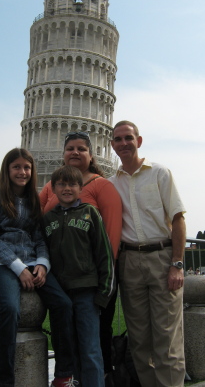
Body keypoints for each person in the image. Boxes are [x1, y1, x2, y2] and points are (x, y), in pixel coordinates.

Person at [0, 148, 78, 387]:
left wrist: (43, 265)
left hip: (32, 261)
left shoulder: (33, 200)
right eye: (17, 167)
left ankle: (63, 374)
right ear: (7, 170)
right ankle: (4, 380)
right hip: (1, 262)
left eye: (26, 167)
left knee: (63, 304)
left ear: (32, 171)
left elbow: (39, 238)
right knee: (10, 308)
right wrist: (17, 268)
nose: (22, 172)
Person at [40, 131, 122, 386]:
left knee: (91, 342)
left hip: (89, 284)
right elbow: (33, 219)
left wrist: (103, 286)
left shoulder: (101, 186)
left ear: (90, 154)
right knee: (67, 341)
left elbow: (109, 241)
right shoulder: (49, 190)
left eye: (81, 149)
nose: (75, 153)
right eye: (70, 148)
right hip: (59, 285)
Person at [109, 120, 186, 387]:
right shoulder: (111, 183)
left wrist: (177, 264)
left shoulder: (160, 173)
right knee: (139, 340)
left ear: (138, 141)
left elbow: (177, 219)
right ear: (112, 145)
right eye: (118, 139)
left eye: (128, 138)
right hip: (129, 261)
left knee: (167, 338)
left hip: (162, 258)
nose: (123, 143)